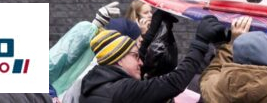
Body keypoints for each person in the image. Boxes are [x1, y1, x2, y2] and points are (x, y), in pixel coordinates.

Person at [80, 16, 226, 102]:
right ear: (118, 59)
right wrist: (200, 42)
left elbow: (132, 59)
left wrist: (152, 29)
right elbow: (174, 83)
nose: (141, 62)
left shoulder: (95, 81)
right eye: (135, 56)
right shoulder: (123, 91)